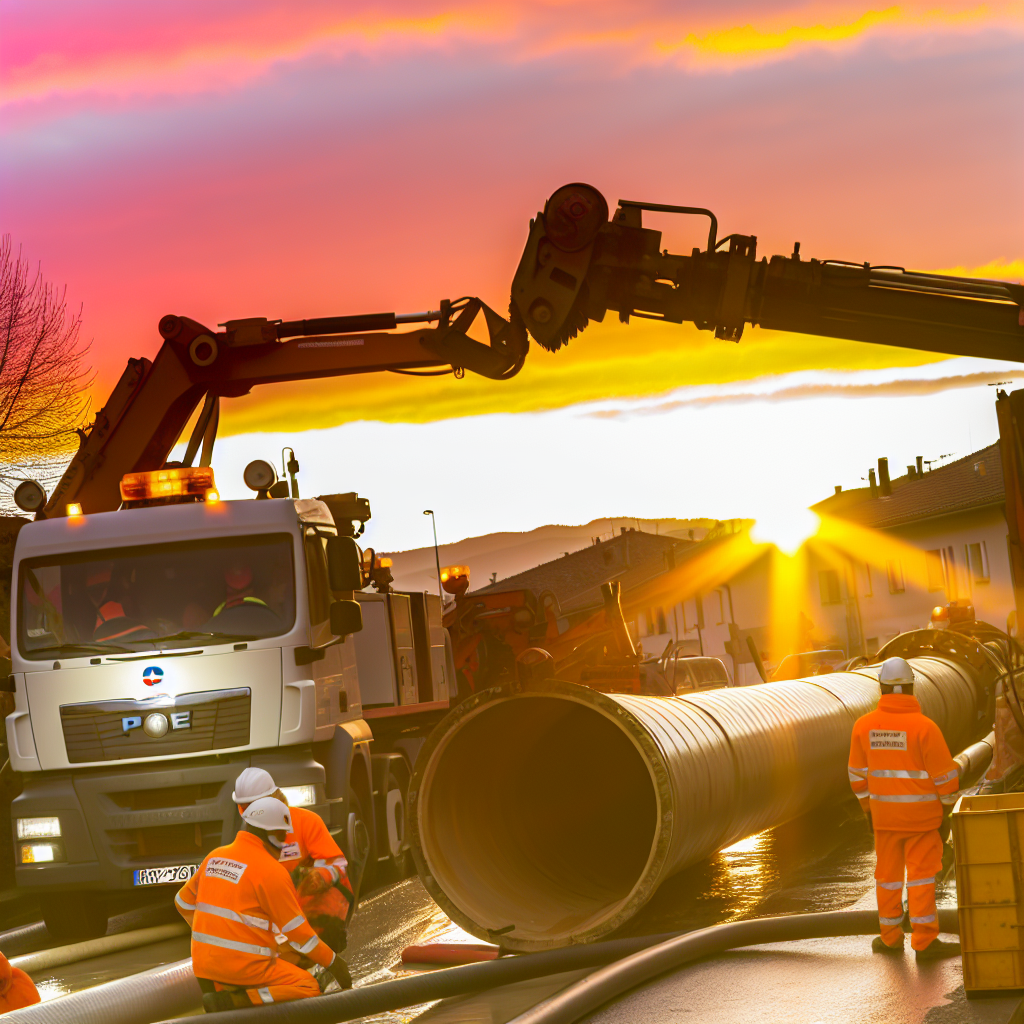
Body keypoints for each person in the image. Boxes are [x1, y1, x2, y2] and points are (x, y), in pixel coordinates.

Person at [175, 797, 349, 1011]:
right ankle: (238, 1000)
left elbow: (182, 902)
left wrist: (212, 936)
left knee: (282, 953)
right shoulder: (271, 871)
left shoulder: (215, 857)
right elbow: (299, 934)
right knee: (308, 985)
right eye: (283, 834)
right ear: (274, 835)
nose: (285, 842)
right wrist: (333, 962)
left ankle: (226, 997)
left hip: (205, 971)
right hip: (243, 971)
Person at [848, 657, 962, 960]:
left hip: (884, 822)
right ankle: (924, 943)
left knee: (887, 879)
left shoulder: (864, 727)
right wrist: (947, 813)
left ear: (882, 689)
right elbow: (947, 779)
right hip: (922, 822)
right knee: (921, 879)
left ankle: (890, 939)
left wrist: (868, 811)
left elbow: (856, 776)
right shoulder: (925, 728)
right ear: (912, 688)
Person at [232, 768, 355, 956]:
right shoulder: (246, 838)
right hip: (274, 910)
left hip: (307, 905)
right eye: (245, 807)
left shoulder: (306, 822)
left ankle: (325, 950)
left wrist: (317, 877)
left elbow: (338, 866)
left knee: (332, 891)